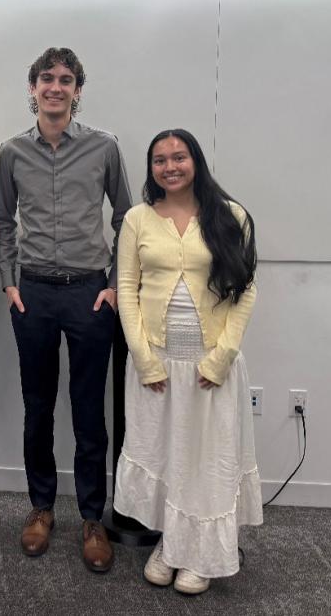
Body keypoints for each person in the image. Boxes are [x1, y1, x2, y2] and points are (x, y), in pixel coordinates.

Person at [0, 47, 132, 570]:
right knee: (38, 407)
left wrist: (115, 284)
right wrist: (9, 283)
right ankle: (42, 508)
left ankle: (93, 517)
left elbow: (127, 218)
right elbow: (4, 222)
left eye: (65, 79)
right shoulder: (11, 152)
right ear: (32, 88)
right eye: (46, 78)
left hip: (89, 293)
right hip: (32, 293)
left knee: (88, 410)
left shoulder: (104, 147)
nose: (55, 86)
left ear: (78, 89)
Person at [113, 128, 262, 595]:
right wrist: (143, 359)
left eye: (179, 157)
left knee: (207, 459)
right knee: (167, 455)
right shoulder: (137, 218)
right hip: (156, 366)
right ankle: (171, 545)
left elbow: (246, 291)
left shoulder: (230, 215)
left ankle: (203, 554)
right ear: (151, 169)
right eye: (160, 160)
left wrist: (220, 359)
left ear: (195, 160)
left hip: (208, 366)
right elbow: (126, 290)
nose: (170, 167)